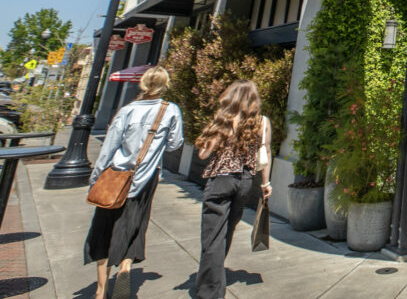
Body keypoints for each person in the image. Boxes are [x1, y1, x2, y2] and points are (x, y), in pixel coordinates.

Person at [85, 65, 184, 299]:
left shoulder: (127, 110)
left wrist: (95, 178)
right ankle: (126, 267)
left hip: (116, 175)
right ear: (165, 85)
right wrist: (156, 145)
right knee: (135, 223)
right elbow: (175, 144)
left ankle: (101, 289)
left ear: (143, 84)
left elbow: (109, 146)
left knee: (104, 228)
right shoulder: (170, 110)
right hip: (146, 177)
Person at [193, 80, 271, 299]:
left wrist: (212, 137)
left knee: (212, 235)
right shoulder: (262, 122)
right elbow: (266, 153)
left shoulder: (226, 118)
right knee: (227, 230)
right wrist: (265, 183)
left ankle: (210, 291)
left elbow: (203, 154)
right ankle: (212, 280)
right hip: (245, 180)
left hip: (221, 179)